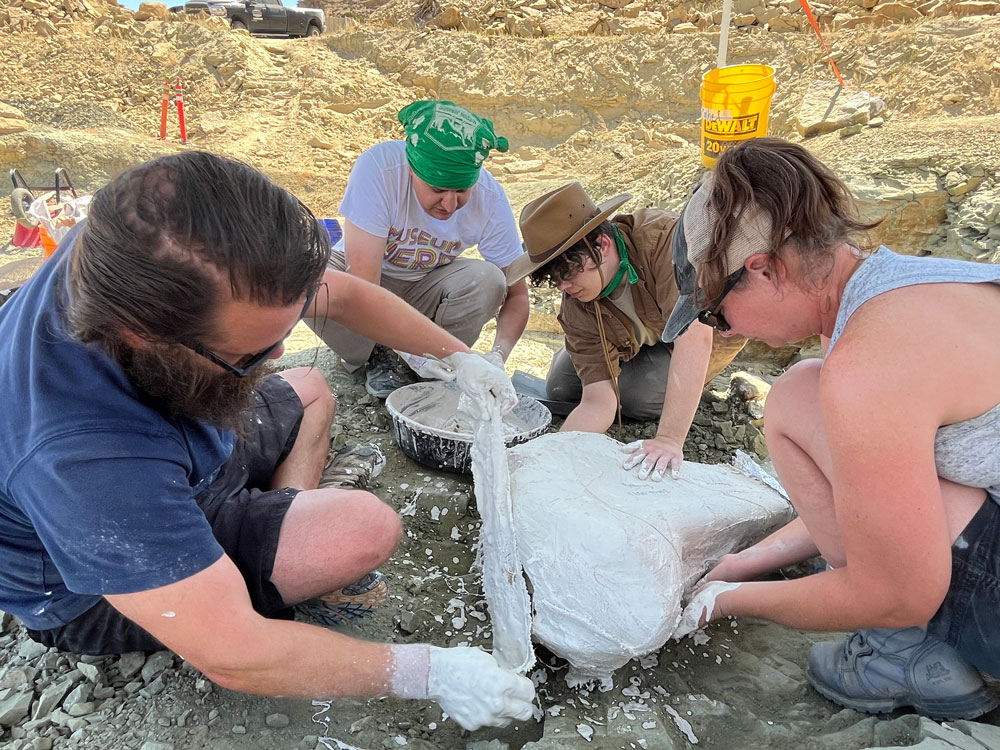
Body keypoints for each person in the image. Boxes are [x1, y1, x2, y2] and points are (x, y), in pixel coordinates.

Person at [0, 151, 534, 730]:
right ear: (145, 335)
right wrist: (434, 673)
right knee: (362, 528)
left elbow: (347, 297)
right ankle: (262, 560)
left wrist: (460, 359)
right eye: (250, 352)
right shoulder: (86, 460)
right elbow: (235, 655)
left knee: (307, 388)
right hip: (90, 587)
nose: (274, 354)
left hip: (177, 457)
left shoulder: (135, 247)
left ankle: (267, 524)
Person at [666, 138, 1000, 720]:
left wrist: (730, 602)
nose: (724, 331)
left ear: (765, 270)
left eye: (716, 313)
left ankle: (902, 656)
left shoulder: (870, 361)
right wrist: (744, 561)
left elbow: (898, 590)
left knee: (797, 396)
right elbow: (870, 494)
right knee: (804, 392)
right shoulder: (909, 285)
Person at [505, 182, 746, 480]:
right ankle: (604, 359)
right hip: (636, 339)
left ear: (602, 245)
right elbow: (599, 398)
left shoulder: (665, 243)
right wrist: (550, 454)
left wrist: (669, 439)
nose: (565, 287)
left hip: (700, 334)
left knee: (636, 395)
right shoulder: (575, 302)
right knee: (561, 387)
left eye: (568, 272)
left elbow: (695, 334)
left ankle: (677, 386)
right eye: (555, 280)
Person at [306, 99, 530, 398]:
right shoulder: (381, 168)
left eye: (461, 191)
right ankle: (379, 357)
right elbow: (362, 282)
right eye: (437, 189)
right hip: (365, 288)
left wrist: (497, 358)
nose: (450, 205)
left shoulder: (489, 197)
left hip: (425, 289)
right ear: (412, 169)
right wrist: (404, 348)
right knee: (305, 276)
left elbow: (517, 295)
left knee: (489, 279)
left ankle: (434, 359)